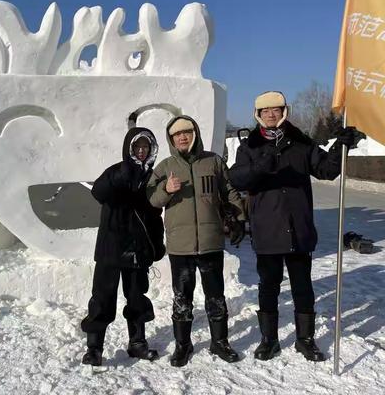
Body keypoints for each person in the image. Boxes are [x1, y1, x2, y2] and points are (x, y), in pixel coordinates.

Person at [229, 91, 355, 362]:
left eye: (276, 110)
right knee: (269, 286)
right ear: (258, 115)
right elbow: (237, 179)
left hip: (298, 228)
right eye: (265, 111)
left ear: (284, 111)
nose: (271, 114)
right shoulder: (249, 146)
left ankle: (305, 340)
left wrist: (339, 149)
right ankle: (269, 340)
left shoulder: (300, 142)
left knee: (302, 286)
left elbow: (326, 170)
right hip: (267, 229)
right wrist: (259, 168)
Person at [147, 116, 246, 367]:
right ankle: (183, 345)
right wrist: (166, 190)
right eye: (177, 135)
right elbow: (151, 200)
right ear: (171, 140)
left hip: (211, 240)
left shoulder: (213, 161)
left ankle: (220, 342)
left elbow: (230, 192)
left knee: (216, 295)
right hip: (180, 244)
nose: (182, 137)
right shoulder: (165, 167)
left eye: (187, 132)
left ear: (195, 133)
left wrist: (240, 219)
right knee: (182, 297)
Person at [81, 127, 165, 367]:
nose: (141, 151)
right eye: (137, 147)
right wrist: (122, 174)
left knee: (138, 297)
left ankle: (137, 343)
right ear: (129, 148)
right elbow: (98, 192)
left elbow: (154, 214)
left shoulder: (152, 177)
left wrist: (157, 244)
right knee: (102, 299)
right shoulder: (116, 170)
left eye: (145, 147)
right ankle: (94, 348)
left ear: (151, 150)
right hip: (111, 247)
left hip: (138, 249)